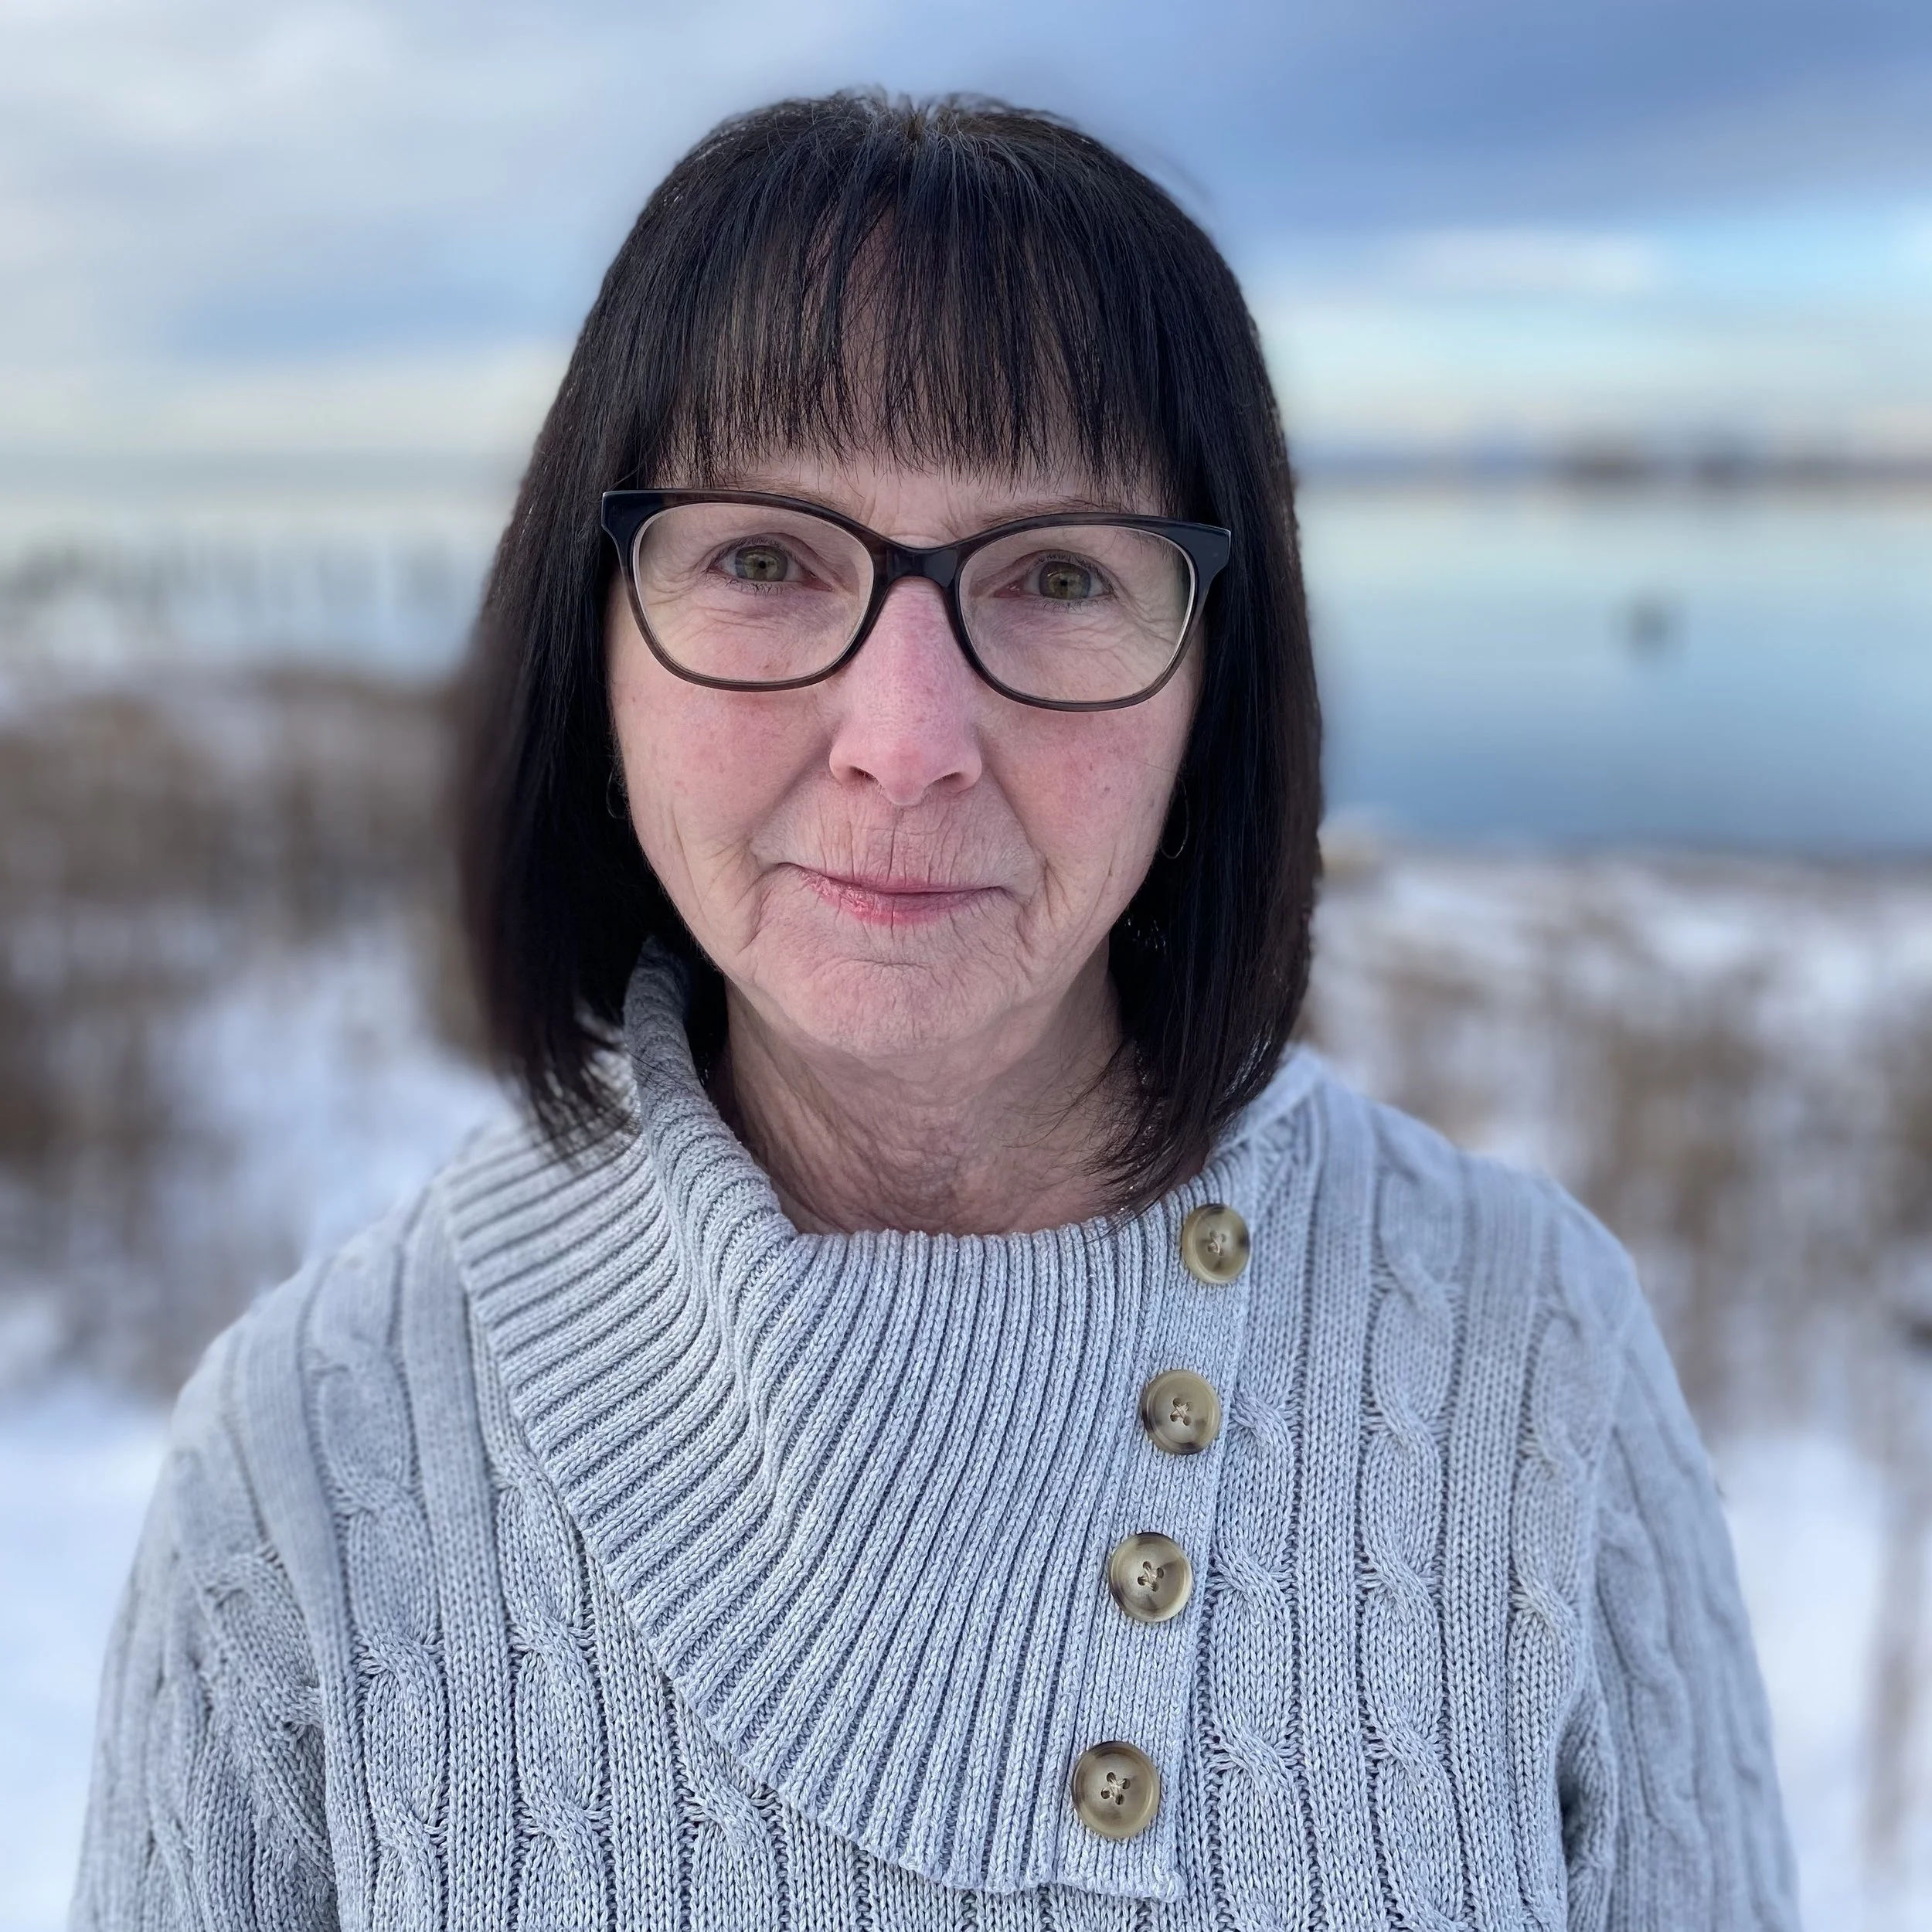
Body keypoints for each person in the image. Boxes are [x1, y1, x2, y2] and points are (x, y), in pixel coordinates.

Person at [71, 94, 1797, 1931]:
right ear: (596, 642)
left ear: (1215, 683)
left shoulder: (1530, 1366)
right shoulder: (305, 1470)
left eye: (1056, 574)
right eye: (762, 558)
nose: (904, 741)